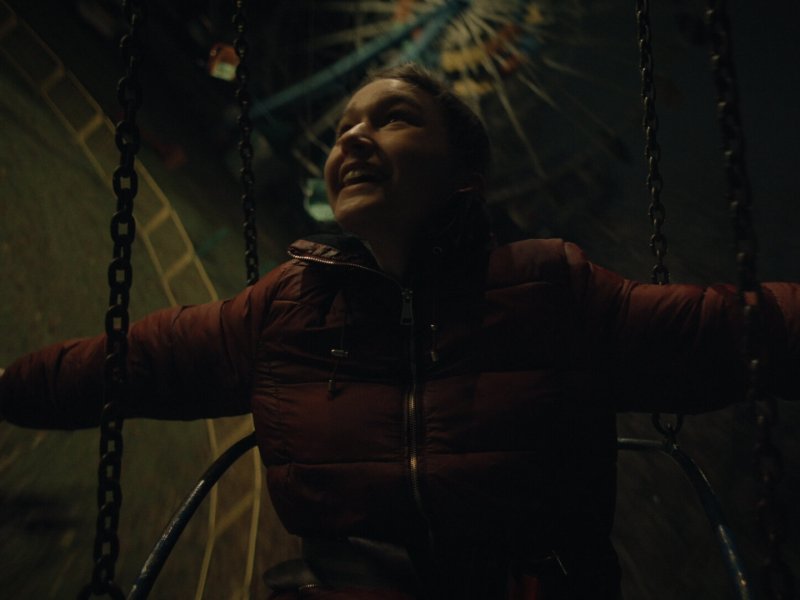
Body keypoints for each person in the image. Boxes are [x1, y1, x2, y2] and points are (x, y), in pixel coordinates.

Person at [1, 63, 798, 599]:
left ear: (464, 177)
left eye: (394, 120)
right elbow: (139, 362)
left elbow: (734, 330)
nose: (353, 137)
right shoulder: (287, 307)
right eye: (345, 127)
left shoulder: (553, 292)